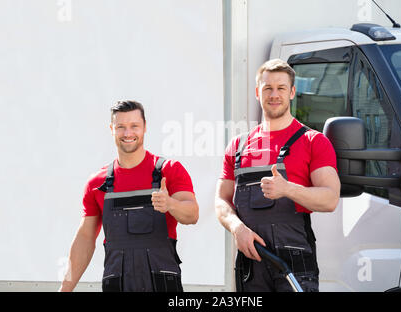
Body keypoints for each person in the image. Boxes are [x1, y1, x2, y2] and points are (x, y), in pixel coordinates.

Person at [215, 59, 340, 292]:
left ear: (292, 92)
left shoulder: (313, 141)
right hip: (251, 264)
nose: (274, 94)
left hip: (294, 264)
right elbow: (221, 200)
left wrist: (287, 189)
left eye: (281, 88)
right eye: (267, 88)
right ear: (257, 92)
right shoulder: (238, 146)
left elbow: (330, 198)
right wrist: (236, 227)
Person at [59, 100, 199, 292]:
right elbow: (85, 237)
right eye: (121, 127)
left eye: (134, 126)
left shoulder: (169, 170)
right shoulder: (97, 183)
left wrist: (170, 204)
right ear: (111, 129)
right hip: (117, 285)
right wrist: (65, 289)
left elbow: (192, 215)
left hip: (162, 286)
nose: (128, 133)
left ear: (145, 127)